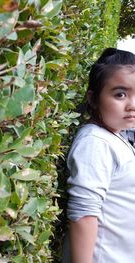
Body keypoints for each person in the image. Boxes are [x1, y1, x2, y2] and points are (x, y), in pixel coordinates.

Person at [63, 48, 135, 262]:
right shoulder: (95, 142)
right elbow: (83, 215)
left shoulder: (114, 137)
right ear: (93, 99)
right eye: (120, 94)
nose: (132, 105)